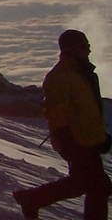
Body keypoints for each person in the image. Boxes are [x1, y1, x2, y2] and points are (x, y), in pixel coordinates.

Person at [13, 29, 112, 220]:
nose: (88, 50)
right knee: (99, 186)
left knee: (84, 184)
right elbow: (54, 109)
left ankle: (31, 199)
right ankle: (31, 199)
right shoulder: (61, 76)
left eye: (88, 46)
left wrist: (101, 137)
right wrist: (65, 137)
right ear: (69, 50)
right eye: (83, 46)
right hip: (76, 141)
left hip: (87, 141)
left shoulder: (81, 74)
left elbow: (87, 112)